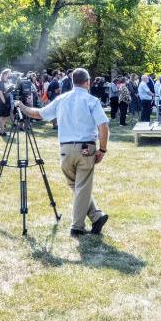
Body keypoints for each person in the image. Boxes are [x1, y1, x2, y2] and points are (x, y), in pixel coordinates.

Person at [16, 68, 110, 237]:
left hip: (65, 149)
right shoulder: (91, 100)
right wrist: (102, 149)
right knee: (82, 187)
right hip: (86, 148)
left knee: (78, 187)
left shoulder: (61, 99)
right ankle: (77, 226)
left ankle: (96, 216)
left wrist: (21, 106)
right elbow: (103, 125)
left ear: (73, 81)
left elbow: (38, 114)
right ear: (87, 82)